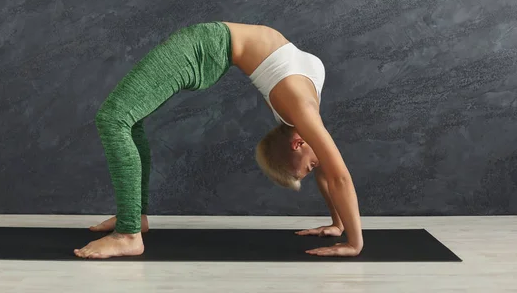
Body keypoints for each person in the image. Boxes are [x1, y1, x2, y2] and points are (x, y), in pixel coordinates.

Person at [74, 21, 363, 259]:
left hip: (209, 46)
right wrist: (355, 242)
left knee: (116, 118)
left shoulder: (301, 113)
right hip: (204, 46)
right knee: (119, 119)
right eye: (310, 168)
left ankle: (130, 230)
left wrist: (339, 226)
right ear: (297, 144)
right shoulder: (302, 109)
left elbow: (329, 172)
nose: (317, 167)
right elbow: (338, 177)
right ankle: (130, 227)